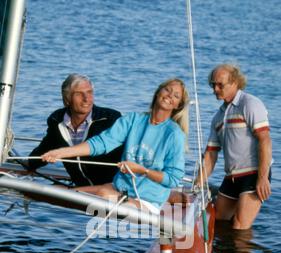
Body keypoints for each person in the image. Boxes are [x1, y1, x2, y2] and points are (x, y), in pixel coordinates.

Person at [40, 78, 189, 212]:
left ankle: (169, 196)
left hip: (147, 200)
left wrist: (142, 170)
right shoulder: (133, 120)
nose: (170, 95)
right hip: (119, 189)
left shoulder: (174, 134)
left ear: (177, 105)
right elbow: (101, 143)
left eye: (176, 96)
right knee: (61, 194)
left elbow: (173, 178)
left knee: (102, 195)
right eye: (167, 90)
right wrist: (61, 153)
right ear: (158, 92)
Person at [202, 64, 272, 230]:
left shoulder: (250, 104)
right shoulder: (218, 116)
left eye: (220, 85)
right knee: (216, 221)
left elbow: (265, 140)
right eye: (213, 85)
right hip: (231, 177)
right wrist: (197, 185)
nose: (215, 89)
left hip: (253, 174)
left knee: (239, 227)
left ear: (235, 83)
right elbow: (211, 155)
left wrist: (262, 178)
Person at [28, 74, 123, 186]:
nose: (86, 99)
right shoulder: (57, 122)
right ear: (67, 99)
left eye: (89, 92)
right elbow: (43, 151)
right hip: (81, 190)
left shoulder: (110, 119)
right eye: (79, 94)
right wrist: (28, 164)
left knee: (53, 190)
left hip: (111, 190)